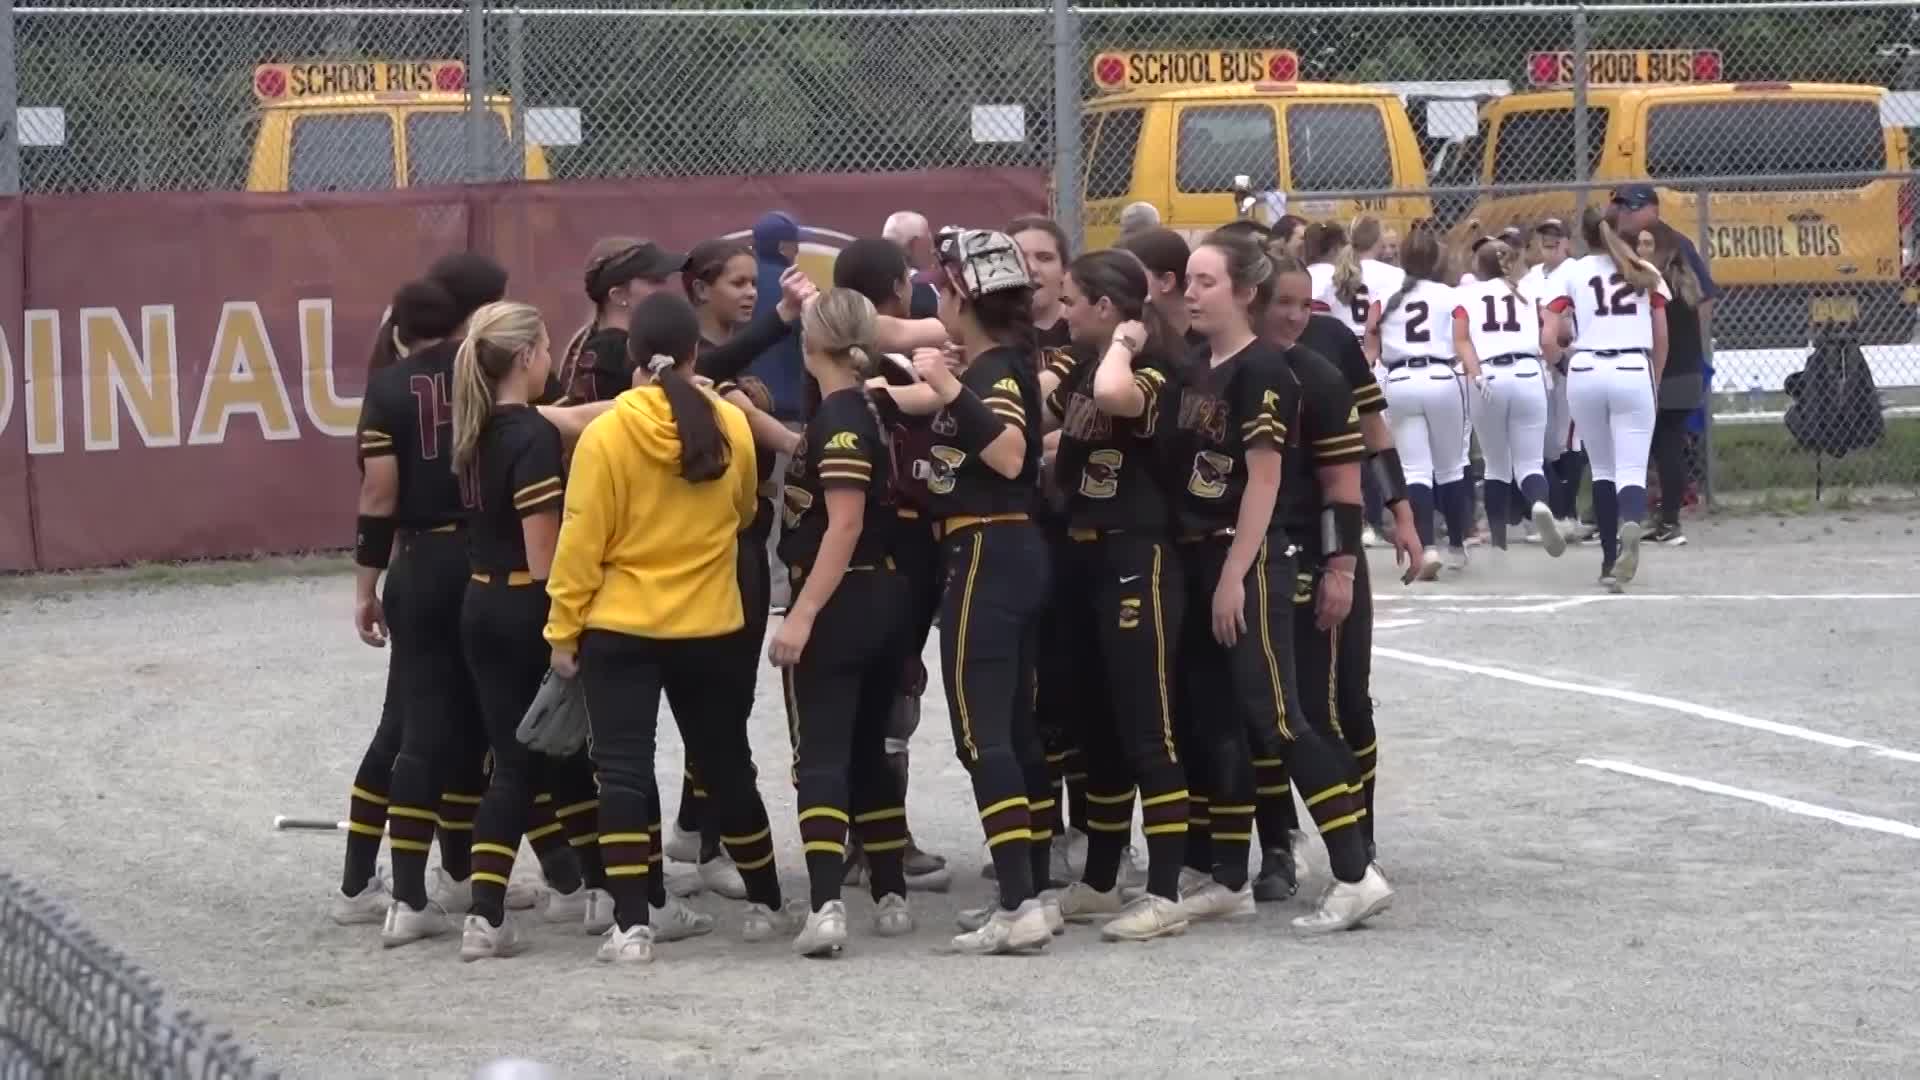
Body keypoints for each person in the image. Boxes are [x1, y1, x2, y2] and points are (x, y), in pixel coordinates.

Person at [446, 302, 708, 960]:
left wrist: (652, 396)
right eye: (543, 350)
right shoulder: (531, 439)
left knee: (519, 762)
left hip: (480, 601)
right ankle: (634, 897)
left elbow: (580, 416)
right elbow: (545, 555)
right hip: (526, 608)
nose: (549, 360)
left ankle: (498, 912)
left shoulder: (479, 423)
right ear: (526, 357)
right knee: (601, 758)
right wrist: (574, 622)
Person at [545, 291, 798, 965]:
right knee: (725, 763)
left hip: (621, 625)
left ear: (632, 357)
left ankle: (632, 926)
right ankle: (769, 901)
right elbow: (744, 512)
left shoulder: (607, 433)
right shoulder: (731, 424)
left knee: (622, 774)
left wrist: (563, 630)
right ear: (695, 354)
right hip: (710, 624)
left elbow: (580, 543)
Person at [1166, 229, 1390, 932]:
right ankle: (1229, 876)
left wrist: (1236, 573)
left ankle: (1355, 872)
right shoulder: (1196, 364)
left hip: (1255, 557)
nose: (1190, 293)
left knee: (1282, 716)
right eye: (1188, 280)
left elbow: (1264, 480)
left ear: (1243, 293)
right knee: (1218, 715)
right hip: (1202, 555)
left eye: (1205, 281)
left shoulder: (1265, 369)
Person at [872, 228, 1055, 954]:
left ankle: (1019, 902)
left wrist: (949, 387)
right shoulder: (992, 363)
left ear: (964, 297)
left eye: (944, 289)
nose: (936, 301)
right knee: (1012, 728)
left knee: (985, 734)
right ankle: (1031, 890)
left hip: (989, 549)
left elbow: (1010, 455)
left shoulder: (995, 370)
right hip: (1000, 550)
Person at [1037, 249, 1191, 942]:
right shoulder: (1083, 364)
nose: (1063, 311)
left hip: (1138, 554)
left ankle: (1165, 891)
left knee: (1145, 725)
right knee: (1094, 724)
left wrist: (1126, 341)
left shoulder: (1151, 366)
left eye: (1073, 299)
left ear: (1106, 306)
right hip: (1083, 554)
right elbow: (1045, 413)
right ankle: (1101, 879)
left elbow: (1113, 399)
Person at [768, 287, 918, 956]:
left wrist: (801, 615)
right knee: (867, 749)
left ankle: (826, 904)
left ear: (811, 345)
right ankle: (890, 894)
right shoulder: (867, 406)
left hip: (841, 596)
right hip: (883, 595)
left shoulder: (842, 417)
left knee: (822, 753)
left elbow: (845, 523)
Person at [352, 272, 500, 947]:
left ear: (400, 329)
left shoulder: (386, 389)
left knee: (420, 725)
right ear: (462, 322)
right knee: (482, 723)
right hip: (486, 555)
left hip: (422, 561)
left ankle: (408, 897)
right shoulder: (484, 371)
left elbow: (379, 496)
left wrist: (366, 585)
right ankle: (469, 873)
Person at [830, 237, 956, 892]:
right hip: (892, 539)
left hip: (896, 540)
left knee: (889, 688)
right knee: (890, 688)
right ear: (897, 288)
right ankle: (880, 841)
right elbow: (913, 395)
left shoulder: (859, 355)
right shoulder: (865, 357)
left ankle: (870, 837)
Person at [1252, 253, 1373, 903]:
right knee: (1252, 716)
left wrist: (1341, 569)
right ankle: (1276, 846)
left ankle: (1357, 848)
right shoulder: (1215, 366)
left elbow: (1343, 489)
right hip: (1236, 558)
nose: (1298, 316)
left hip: (1300, 553)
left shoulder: (1320, 375)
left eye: (1306, 303)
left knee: (1314, 710)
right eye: (1284, 302)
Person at [1542, 207, 1668, 591]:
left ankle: (1609, 560)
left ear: (1583, 236)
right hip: (1632, 366)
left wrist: (1563, 364)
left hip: (1587, 368)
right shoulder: (1644, 270)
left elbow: (1548, 337)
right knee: (1631, 469)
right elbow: (1661, 337)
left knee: (1601, 469)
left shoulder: (1572, 273)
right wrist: (1654, 380)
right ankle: (1632, 522)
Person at [1453, 238, 1566, 556]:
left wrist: (1476, 374)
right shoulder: (1529, 291)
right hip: (1529, 372)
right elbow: (1551, 332)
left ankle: (1499, 540)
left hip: (1489, 373)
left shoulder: (1467, 294)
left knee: (1496, 465)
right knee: (1530, 463)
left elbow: (1461, 339)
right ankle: (1540, 504)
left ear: (1479, 265)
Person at [1371, 227, 1469, 579]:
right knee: (1450, 468)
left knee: (1415, 470)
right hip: (1441, 378)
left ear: (1401, 258)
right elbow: (1462, 341)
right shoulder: (1449, 295)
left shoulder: (1384, 296)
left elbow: (1371, 346)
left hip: (1399, 381)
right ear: (1435, 260)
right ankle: (1456, 545)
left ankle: (1426, 547)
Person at [1638, 222, 1713, 546]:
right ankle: (1667, 517)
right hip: (1688, 374)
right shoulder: (1685, 282)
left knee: (1665, 446)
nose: (1641, 251)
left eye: (1648, 245)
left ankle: (1669, 520)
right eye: (1639, 244)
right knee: (1670, 446)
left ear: (1663, 250)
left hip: (1669, 374)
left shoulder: (1656, 285)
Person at [1520, 218, 1586, 539]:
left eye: (1556, 235)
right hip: (1538, 366)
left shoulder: (1576, 271)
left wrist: (1564, 353)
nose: (1549, 240)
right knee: (1545, 443)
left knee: (1569, 438)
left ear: (1567, 242)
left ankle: (1567, 515)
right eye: (1544, 234)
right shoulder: (1531, 277)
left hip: (1566, 362)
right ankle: (1554, 513)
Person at [745, 211, 809, 422]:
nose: (797, 249)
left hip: (740, 404)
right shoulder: (799, 288)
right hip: (788, 410)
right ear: (782, 248)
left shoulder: (734, 284)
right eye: (794, 244)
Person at [1120, 227, 1199, 346]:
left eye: (1131, 274)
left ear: (1166, 281)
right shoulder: (1133, 337)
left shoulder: (1213, 345)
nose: (1121, 284)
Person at [882, 211, 941, 320]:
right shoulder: (925, 288)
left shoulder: (865, 281)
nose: (932, 249)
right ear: (914, 244)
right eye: (928, 239)